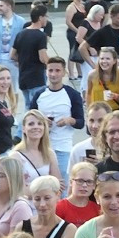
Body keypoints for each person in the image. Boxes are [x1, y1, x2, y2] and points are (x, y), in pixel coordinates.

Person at [29, 57, 86, 188]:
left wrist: (69, 120)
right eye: (50, 71)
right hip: (40, 147)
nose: (53, 74)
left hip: (63, 148)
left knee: (61, 186)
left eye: (57, 70)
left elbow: (81, 122)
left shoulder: (72, 94)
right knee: (40, 186)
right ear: (46, 72)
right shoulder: (39, 94)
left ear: (64, 72)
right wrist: (41, 121)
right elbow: (29, 119)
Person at [12, 4, 51, 106]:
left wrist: (23, 59)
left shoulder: (21, 34)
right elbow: (42, 58)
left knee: (28, 106)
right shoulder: (41, 35)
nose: (47, 19)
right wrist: (52, 64)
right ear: (40, 17)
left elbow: (12, 55)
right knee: (38, 106)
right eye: (46, 16)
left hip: (23, 77)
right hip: (36, 77)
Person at [79, 3, 119, 68]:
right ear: (111, 16)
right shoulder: (102, 31)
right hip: (106, 67)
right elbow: (82, 47)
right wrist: (93, 65)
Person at [0, 0, 26, 85]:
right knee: (0, 85)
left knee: (14, 87)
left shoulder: (20, 21)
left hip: (14, 61)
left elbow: (24, 43)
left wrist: (20, 59)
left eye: (1, 6)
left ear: (9, 6)